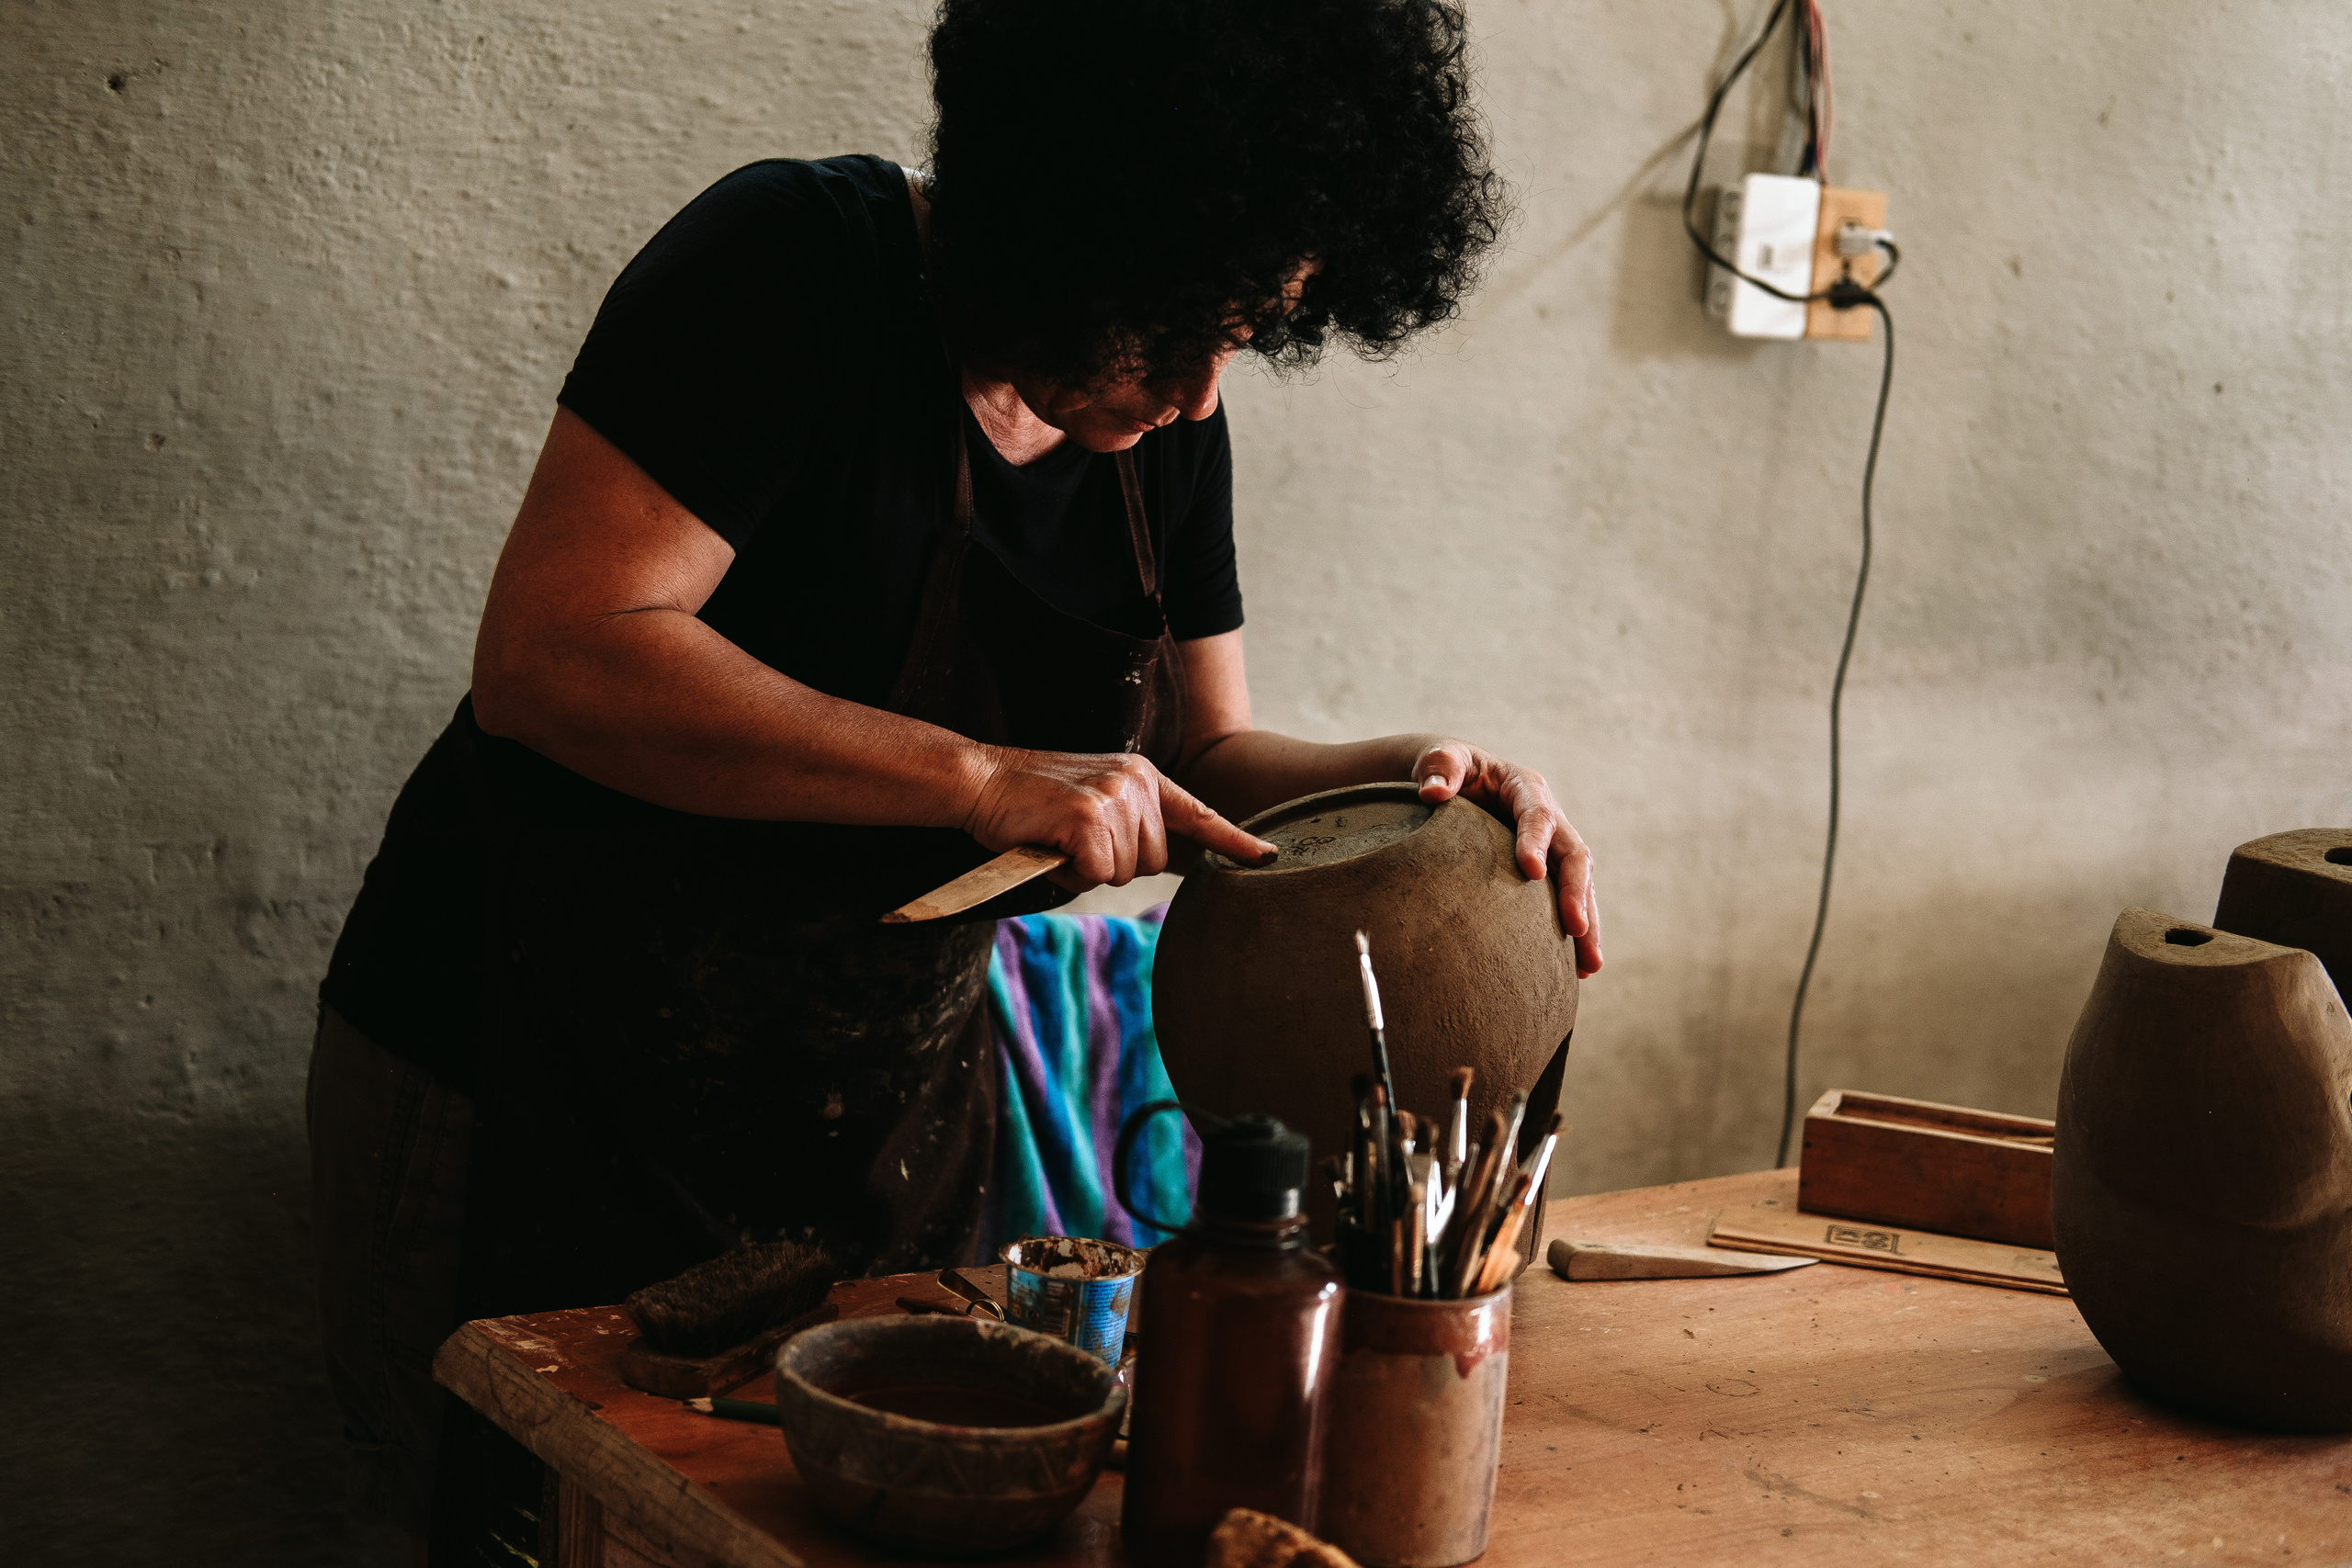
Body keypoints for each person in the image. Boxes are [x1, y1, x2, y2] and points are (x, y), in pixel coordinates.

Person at [307, 0, 1602, 1542]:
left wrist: (1413, 791)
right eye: (1167, 321)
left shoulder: (1163, 432)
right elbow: (556, 654)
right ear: (1058, 210)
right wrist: (977, 774)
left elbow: (1199, 756)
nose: (1194, 393)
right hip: (527, 1066)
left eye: (1243, 331)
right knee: (528, 1528)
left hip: (879, 1124)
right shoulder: (791, 266)